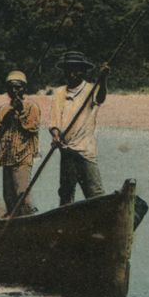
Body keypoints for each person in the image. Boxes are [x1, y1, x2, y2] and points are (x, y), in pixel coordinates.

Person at [50, 51, 109, 205]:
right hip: (66, 150)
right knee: (66, 194)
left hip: (85, 150)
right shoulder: (59, 92)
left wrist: (102, 79)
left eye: (76, 69)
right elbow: (55, 121)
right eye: (68, 69)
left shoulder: (91, 89)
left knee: (95, 194)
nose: (72, 73)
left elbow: (100, 98)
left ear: (83, 71)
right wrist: (55, 135)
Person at [0, 70, 41, 215]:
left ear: (24, 88)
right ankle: (13, 221)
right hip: (7, 156)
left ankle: (29, 219)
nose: (14, 90)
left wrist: (20, 113)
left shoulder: (31, 107)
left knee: (22, 192)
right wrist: (6, 118)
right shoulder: (4, 109)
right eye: (11, 87)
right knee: (8, 195)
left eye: (18, 87)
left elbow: (33, 127)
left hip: (23, 155)